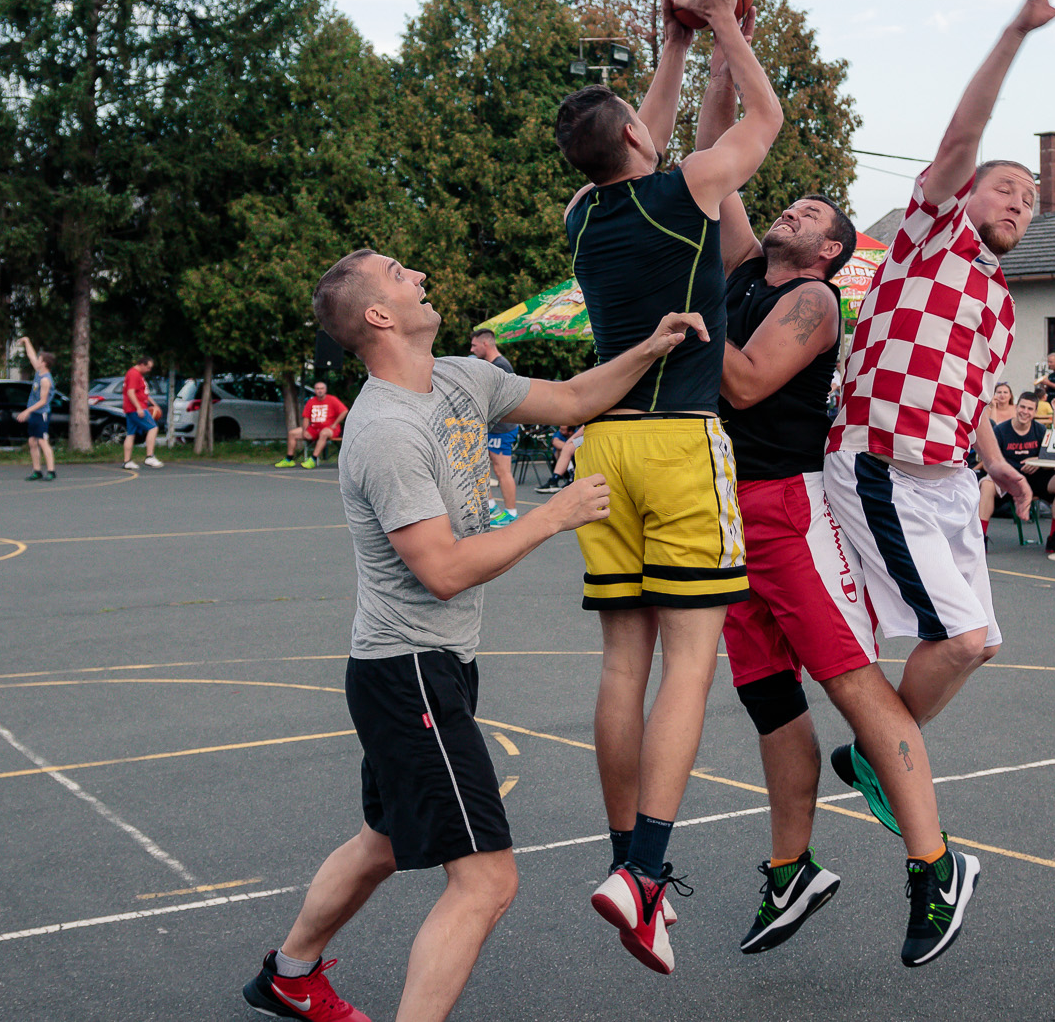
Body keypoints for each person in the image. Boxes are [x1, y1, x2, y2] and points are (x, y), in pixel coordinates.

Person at [241, 249, 706, 1021]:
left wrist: (650, 347)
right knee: (488, 881)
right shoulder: (383, 431)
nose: (419, 274)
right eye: (399, 273)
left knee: (384, 840)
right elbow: (445, 569)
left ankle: (288, 975)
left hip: (433, 664)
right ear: (380, 315)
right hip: (407, 670)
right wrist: (552, 515)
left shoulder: (462, 377)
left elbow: (570, 398)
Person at [817, 0, 1055, 969]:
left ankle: (869, 754)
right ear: (962, 196)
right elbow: (962, 138)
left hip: (942, 473)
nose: (1015, 201)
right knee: (957, 641)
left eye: (1026, 198)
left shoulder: (999, 302)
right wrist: (1011, 35)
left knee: (979, 645)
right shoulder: (922, 243)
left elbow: (963, 397)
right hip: (877, 461)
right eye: (1001, 188)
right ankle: (884, 766)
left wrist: (999, 462)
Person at [554, 0, 780, 970]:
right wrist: (725, 18)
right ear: (641, 140)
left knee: (622, 660)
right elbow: (765, 124)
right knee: (692, 658)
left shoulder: (584, 213)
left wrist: (673, 46)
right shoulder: (685, 191)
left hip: (606, 444)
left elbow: (632, 131)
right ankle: (646, 872)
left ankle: (619, 859)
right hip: (683, 441)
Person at [693, 69, 863, 951]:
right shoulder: (745, 271)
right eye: (786, 206)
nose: (789, 213)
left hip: (786, 508)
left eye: (808, 215)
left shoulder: (813, 301)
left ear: (830, 251)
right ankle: (791, 868)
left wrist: (687, 316)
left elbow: (751, 380)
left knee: (848, 680)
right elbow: (714, 163)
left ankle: (925, 838)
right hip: (728, 513)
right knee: (771, 704)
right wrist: (723, 54)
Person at [468, 330, 523, 525]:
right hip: (491, 426)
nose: (472, 349)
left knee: (502, 471)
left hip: (502, 427)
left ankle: (511, 513)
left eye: (475, 346)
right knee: (479, 467)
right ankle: (491, 507)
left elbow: (504, 400)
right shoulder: (490, 366)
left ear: (485, 344)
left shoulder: (501, 366)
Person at [984, 391, 1052, 525]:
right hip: (1007, 479)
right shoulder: (1000, 430)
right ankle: (981, 538)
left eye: (1030, 409)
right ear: (1016, 407)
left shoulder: (1041, 430)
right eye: (1022, 407)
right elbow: (989, 462)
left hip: (1033, 477)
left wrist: (1038, 461)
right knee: (986, 484)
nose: (1025, 411)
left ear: (1035, 412)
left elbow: (1051, 460)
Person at [15, 338, 57, 482]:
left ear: (44, 363)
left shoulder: (45, 380)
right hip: (34, 413)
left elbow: (43, 401)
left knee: (43, 442)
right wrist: (27, 341)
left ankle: (51, 471)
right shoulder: (39, 372)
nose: (37, 360)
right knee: (32, 442)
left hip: (41, 413)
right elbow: (31, 355)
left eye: (39, 359)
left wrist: (27, 411)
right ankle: (37, 470)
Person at [289, 381, 350, 470]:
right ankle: (289, 459)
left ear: (325, 390)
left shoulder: (332, 399)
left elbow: (344, 411)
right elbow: (306, 418)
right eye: (317, 389)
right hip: (314, 428)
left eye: (321, 388)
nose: (320, 391)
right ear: (315, 390)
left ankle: (313, 459)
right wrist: (304, 431)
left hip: (329, 429)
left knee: (324, 433)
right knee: (292, 433)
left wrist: (335, 424)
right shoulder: (311, 401)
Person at [121, 356, 164, 471]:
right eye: (148, 367)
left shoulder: (137, 374)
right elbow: (130, 393)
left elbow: (143, 393)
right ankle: (149, 456)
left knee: (130, 434)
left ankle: (127, 461)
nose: (149, 370)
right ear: (142, 365)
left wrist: (154, 404)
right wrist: (139, 408)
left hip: (132, 408)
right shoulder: (134, 374)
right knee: (153, 428)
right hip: (136, 409)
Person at [534, 425, 583, 493]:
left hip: (576, 461)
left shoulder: (578, 432)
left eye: (563, 430)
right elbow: (555, 442)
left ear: (570, 432)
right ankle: (554, 480)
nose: (560, 430)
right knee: (565, 449)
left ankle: (572, 478)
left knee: (573, 449)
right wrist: (569, 443)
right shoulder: (558, 433)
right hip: (559, 463)